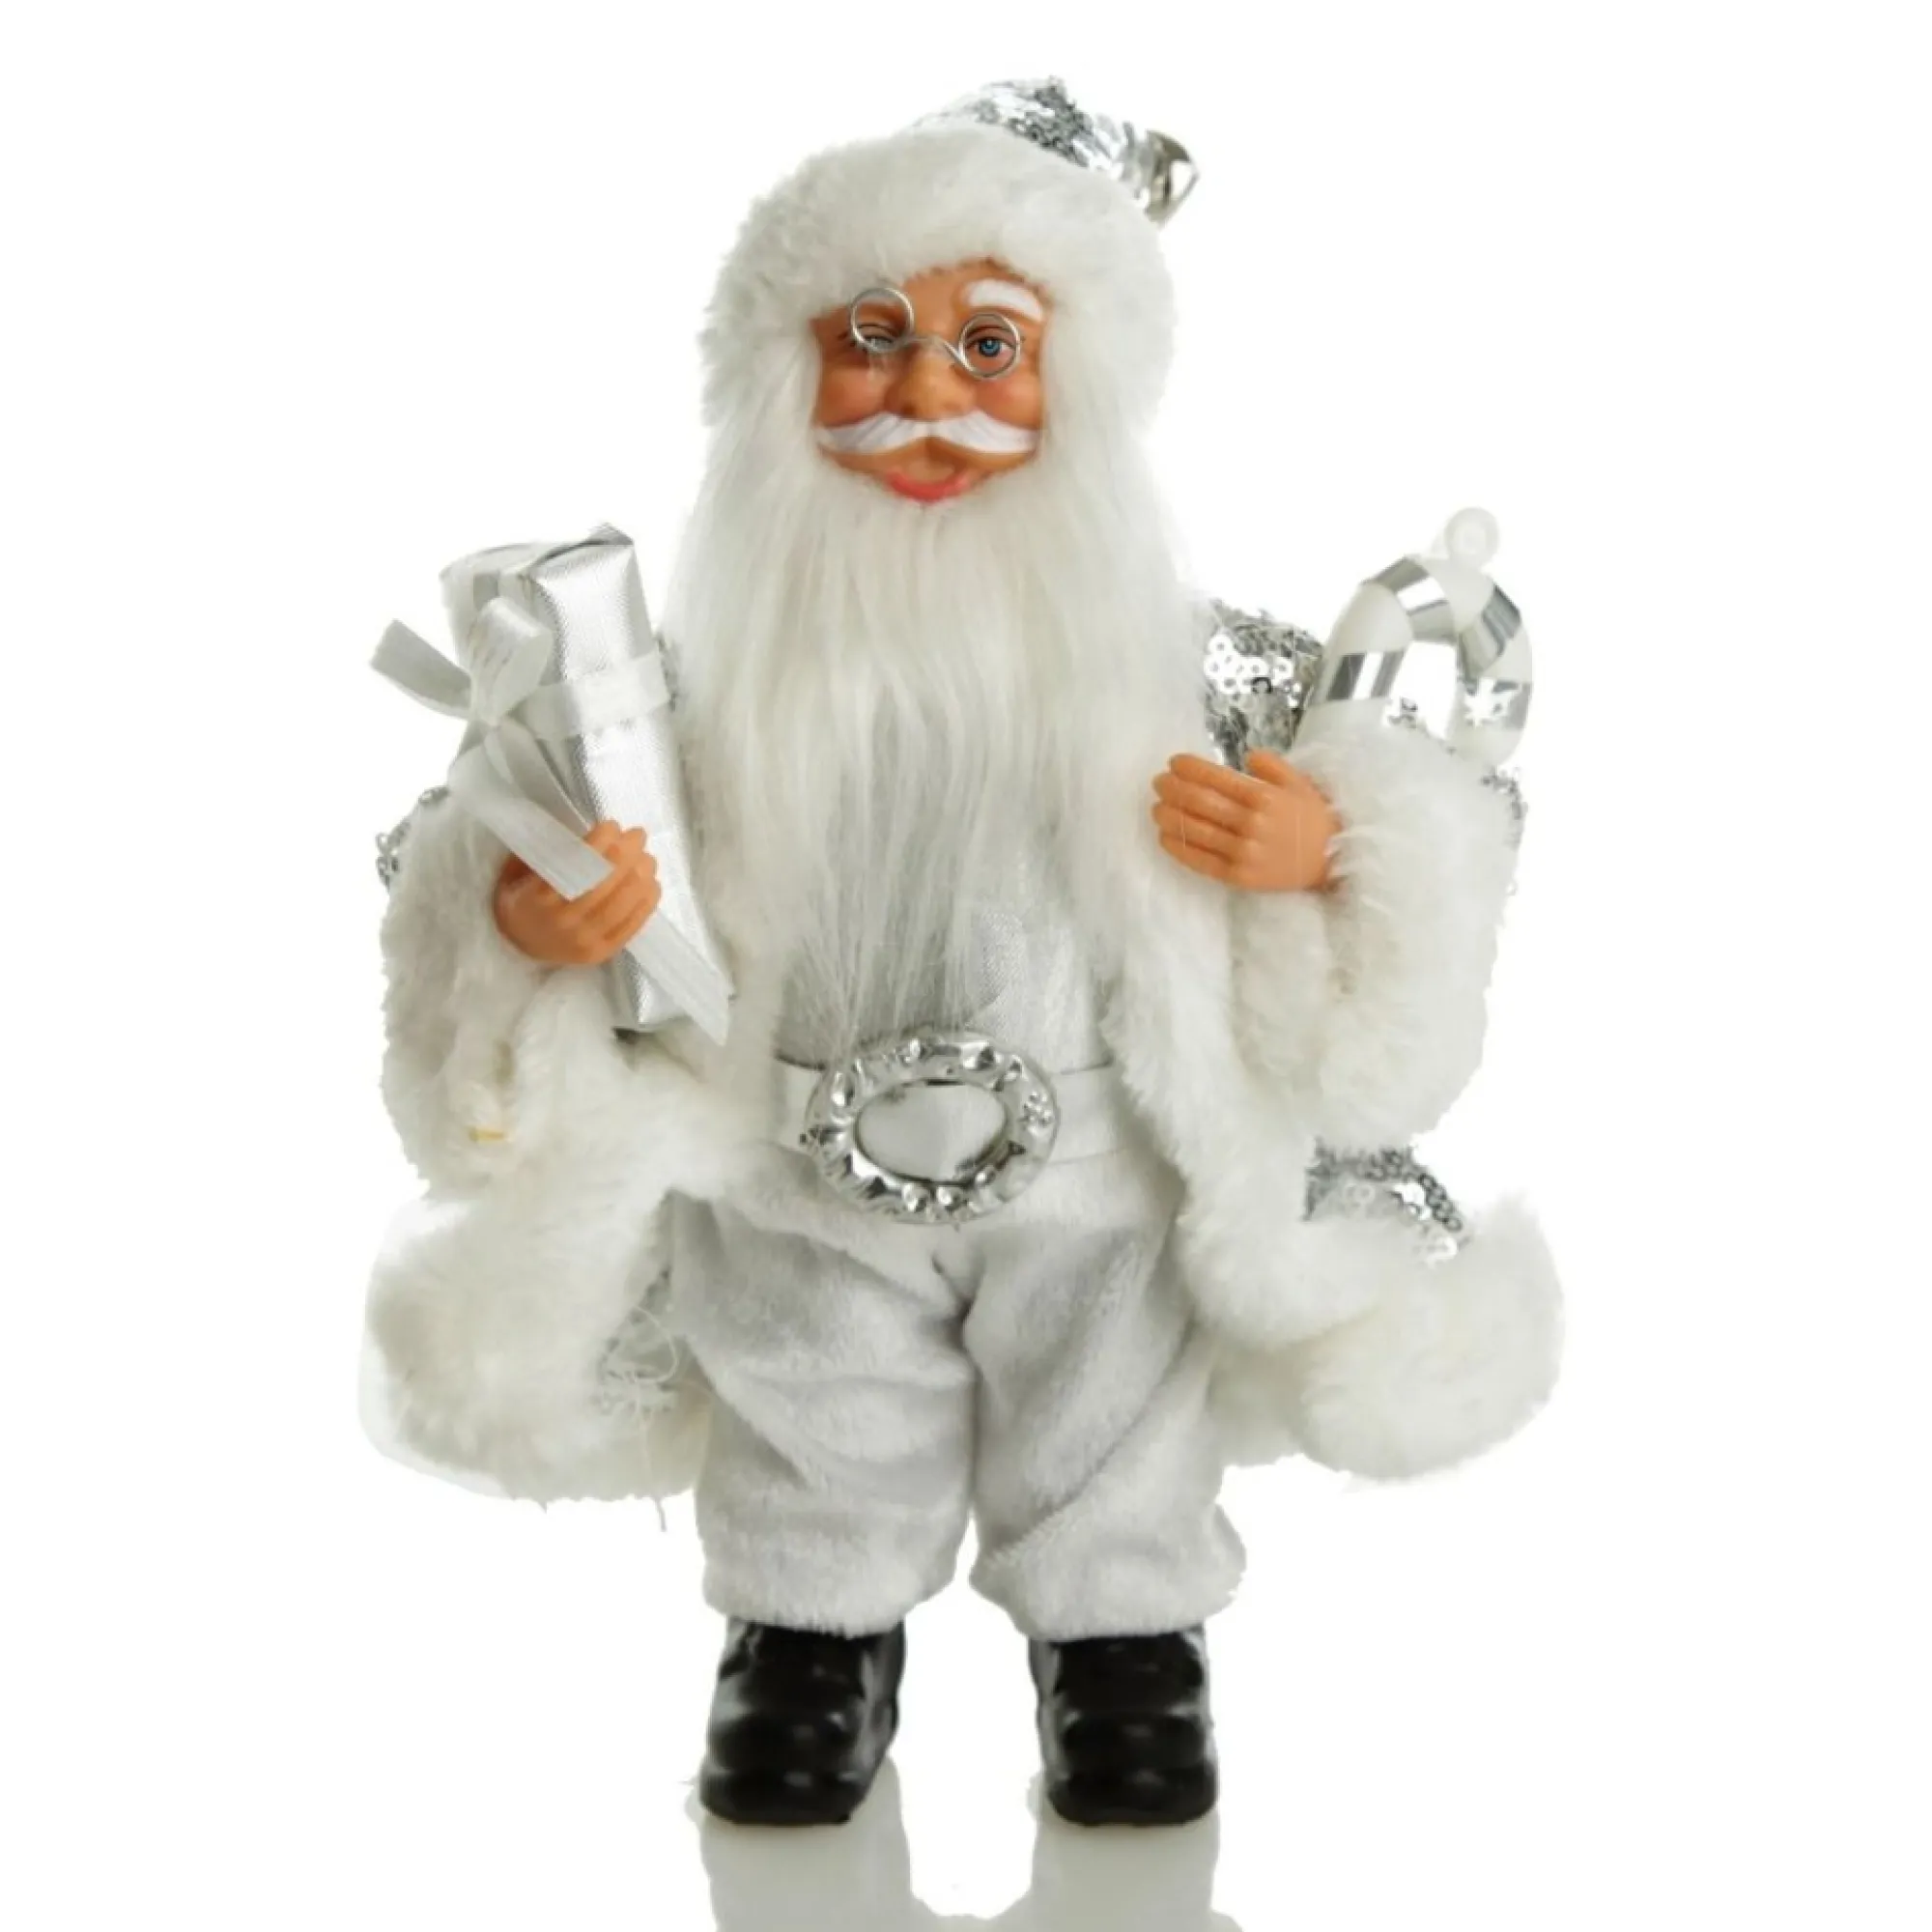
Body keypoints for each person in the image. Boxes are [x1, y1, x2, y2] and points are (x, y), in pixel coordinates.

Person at [365, 78, 1559, 1831]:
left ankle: (1126, 1644)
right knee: (807, 1400)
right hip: (794, 1174)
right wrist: (536, 919)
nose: (929, 395)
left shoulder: (1189, 669)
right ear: (781, 378)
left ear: (1080, 381)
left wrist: (1326, 854)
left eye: (990, 347)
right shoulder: (695, 693)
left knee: (1113, 1407)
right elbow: (497, 835)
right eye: (873, 339)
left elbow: (1387, 800)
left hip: (1101, 1168)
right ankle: (806, 1639)